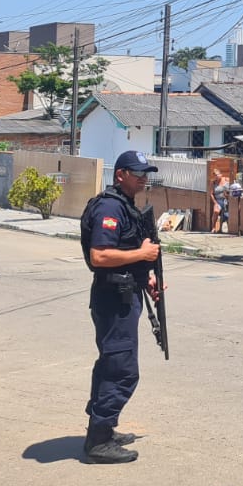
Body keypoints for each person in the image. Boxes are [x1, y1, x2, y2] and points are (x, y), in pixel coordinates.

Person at [79, 150, 161, 464]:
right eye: (137, 173)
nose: (143, 178)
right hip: (113, 300)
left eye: (145, 173)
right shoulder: (110, 208)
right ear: (120, 175)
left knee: (111, 365)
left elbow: (122, 252)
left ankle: (103, 428)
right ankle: (98, 442)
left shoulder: (124, 206)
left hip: (124, 293)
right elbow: (100, 257)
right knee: (122, 370)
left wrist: (145, 279)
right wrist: (142, 255)